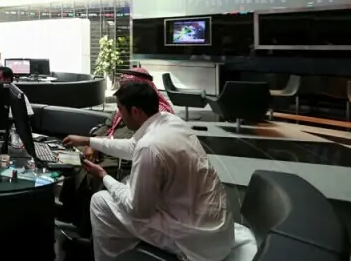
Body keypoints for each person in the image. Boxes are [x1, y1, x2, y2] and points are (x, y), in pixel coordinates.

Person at [63, 82, 255, 261]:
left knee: (100, 201)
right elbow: (132, 147)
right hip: (218, 229)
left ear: (135, 111)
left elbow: (137, 210)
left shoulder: (149, 147)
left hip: (199, 241)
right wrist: (87, 140)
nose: (118, 115)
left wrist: (103, 176)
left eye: (120, 109)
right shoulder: (170, 121)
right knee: (128, 183)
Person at [58, 68, 175, 237]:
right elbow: (107, 127)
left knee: (92, 175)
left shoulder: (156, 114)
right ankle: (69, 213)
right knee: (73, 157)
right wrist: (91, 143)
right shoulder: (128, 106)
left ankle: (87, 229)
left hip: (123, 159)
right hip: (112, 146)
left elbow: (134, 146)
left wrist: (102, 169)